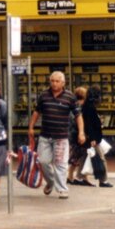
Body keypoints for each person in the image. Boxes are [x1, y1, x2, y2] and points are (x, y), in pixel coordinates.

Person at [29, 71, 82, 199]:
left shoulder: (70, 97)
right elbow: (37, 112)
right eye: (52, 81)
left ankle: (62, 189)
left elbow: (78, 116)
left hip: (61, 136)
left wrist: (81, 132)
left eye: (57, 81)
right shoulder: (44, 95)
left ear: (63, 83)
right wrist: (31, 127)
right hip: (45, 135)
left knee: (60, 163)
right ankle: (51, 182)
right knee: (42, 161)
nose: (54, 83)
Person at [82, 85, 112, 188]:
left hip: (90, 137)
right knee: (100, 158)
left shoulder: (86, 107)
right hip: (93, 138)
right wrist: (93, 138)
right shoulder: (90, 108)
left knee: (84, 157)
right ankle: (103, 180)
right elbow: (90, 124)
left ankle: (79, 176)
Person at [67, 86, 90, 186]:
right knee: (81, 156)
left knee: (77, 156)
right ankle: (78, 176)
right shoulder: (82, 106)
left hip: (73, 134)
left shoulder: (73, 105)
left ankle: (71, 175)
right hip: (80, 134)